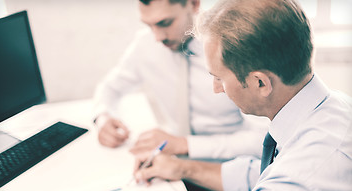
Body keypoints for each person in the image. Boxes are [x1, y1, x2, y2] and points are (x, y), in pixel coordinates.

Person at [76, 0, 352, 191]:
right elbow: (259, 175)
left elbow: (281, 187)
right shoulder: (335, 107)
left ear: (260, 83)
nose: (216, 89)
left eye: (219, 78)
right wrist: (183, 168)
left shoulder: (296, 188)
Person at [93, 0, 268, 161]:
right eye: (149, 25)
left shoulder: (233, 46)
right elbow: (110, 87)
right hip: (172, 163)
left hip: (232, 169)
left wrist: (184, 144)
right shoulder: (145, 44)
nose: (158, 37)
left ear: (193, 4)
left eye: (165, 23)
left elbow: (261, 139)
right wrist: (103, 117)